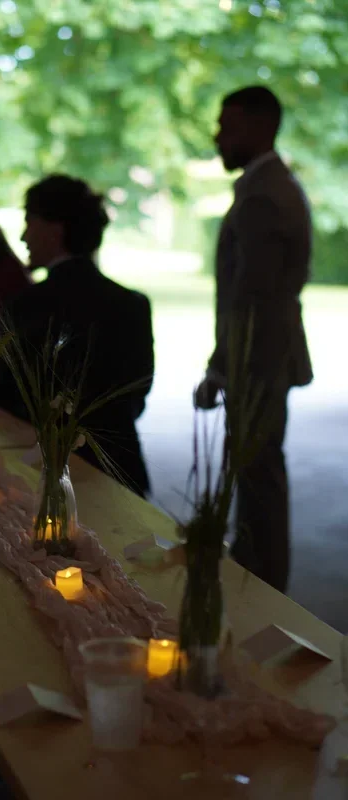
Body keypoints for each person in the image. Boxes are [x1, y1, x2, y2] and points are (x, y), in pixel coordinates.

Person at [195, 86, 313, 593]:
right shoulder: (270, 184)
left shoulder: (263, 193)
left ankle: (260, 593)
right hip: (266, 356)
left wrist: (222, 366)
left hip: (258, 360)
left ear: (259, 126)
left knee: (258, 480)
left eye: (228, 124)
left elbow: (253, 296)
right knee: (259, 477)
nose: (218, 135)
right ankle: (260, 585)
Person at [0, 174, 154, 497]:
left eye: (29, 222)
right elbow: (135, 397)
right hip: (120, 474)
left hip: (42, 478)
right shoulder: (132, 304)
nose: (23, 236)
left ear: (55, 229)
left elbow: (0, 400)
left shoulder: (26, 306)